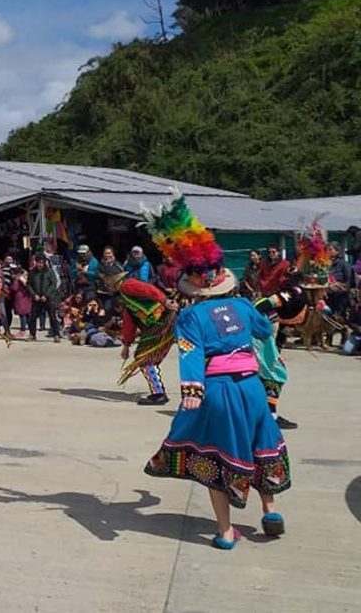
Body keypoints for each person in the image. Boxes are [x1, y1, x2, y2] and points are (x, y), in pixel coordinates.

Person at [143, 195, 290, 549]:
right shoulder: (241, 304)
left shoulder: (191, 316)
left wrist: (191, 391)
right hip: (252, 386)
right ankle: (269, 510)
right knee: (261, 442)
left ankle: (226, 532)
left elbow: (190, 353)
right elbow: (264, 331)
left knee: (214, 454)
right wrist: (268, 306)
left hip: (218, 389)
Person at [102, 271, 178, 406]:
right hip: (158, 323)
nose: (106, 285)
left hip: (161, 320)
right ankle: (157, 390)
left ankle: (158, 393)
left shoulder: (127, 285)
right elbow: (129, 323)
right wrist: (126, 345)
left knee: (144, 357)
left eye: (107, 281)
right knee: (146, 357)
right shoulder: (126, 298)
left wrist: (164, 301)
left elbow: (148, 289)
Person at [28, 253, 60, 342]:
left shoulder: (49, 272)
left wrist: (46, 295)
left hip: (48, 298)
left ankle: (56, 334)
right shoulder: (32, 272)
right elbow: (29, 285)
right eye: (38, 262)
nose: (40, 264)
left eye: (42, 262)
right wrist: (34, 295)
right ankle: (32, 334)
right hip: (36, 298)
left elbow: (53, 284)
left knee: (52, 316)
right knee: (33, 316)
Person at [9, 265, 33, 339]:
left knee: (22, 315)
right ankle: (31, 330)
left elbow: (14, 288)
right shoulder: (26, 277)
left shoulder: (18, 279)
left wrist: (13, 282)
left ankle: (23, 330)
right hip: (27, 298)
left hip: (20, 298)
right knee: (27, 315)